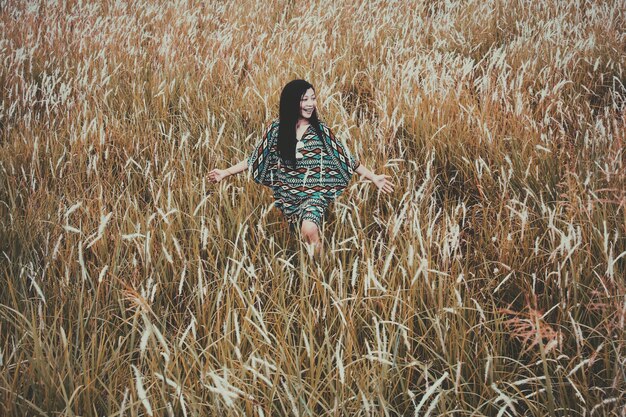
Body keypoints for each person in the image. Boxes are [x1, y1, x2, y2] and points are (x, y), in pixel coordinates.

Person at [209, 79, 394, 259]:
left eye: (313, 98)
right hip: (288, 196)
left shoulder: (321, 131)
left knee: (309, 229)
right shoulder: (277, 130)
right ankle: (312, 264)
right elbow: (255, 158)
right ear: (291, 101)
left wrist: (373, 177)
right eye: (304, 99)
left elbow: (346, 158)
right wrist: (225, 172)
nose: (310, 104)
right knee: (300, 235)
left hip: (314, 194)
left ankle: (321, 268)